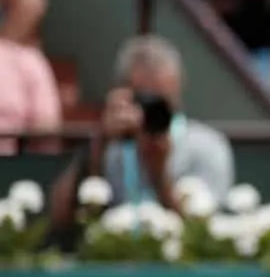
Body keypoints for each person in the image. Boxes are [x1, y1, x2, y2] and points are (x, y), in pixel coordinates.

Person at [47, 35, 233, 230]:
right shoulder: (107, 146)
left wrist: (160, 175)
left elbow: (205, 235)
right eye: (144, 102)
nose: (151, 114)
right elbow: (60, 218)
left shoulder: (208, 146)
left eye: (161, 104)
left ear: (178, 90)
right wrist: (99, 146)